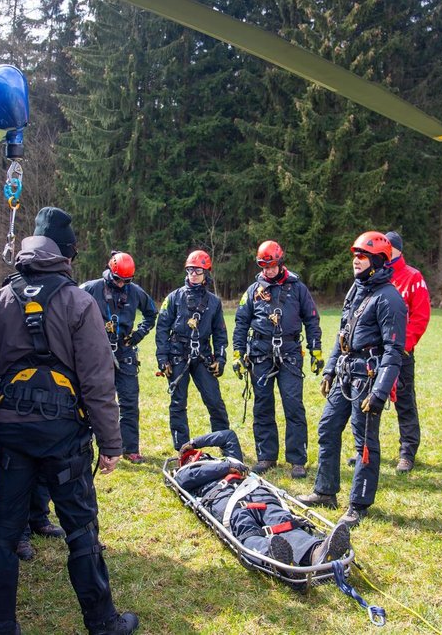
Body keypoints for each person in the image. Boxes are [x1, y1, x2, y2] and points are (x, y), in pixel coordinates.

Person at [0, 206, 137, 635]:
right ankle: (103, 624)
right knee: (81, 530)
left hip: (11, 435)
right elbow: (99, 381)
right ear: (66, 253)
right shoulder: (80, 303)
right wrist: (112, 444)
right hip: (64, 439)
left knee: (4, 530)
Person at [298, 232, 406, 527]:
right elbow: (342, 335)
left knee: (365, 442)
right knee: (327, 428)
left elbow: (394, 350)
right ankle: (325, 491)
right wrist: (330, 370)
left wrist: (381, 392)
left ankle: (358, 504)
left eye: (362, 256)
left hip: (369, 379)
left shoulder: (390, 299)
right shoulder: (356, 290)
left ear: (378, 261)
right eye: (354, 256)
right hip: (346, 373)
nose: (355, 261)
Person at [174, 429, 350, 568]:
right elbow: (184, 480)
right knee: (247, 529)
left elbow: (227, 436)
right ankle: (273, 558)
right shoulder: (187, 471)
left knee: (282, 520)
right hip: (226, 501)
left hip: (258, 494)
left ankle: (316, 553)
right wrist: (227, 467)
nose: (197, 456)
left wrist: (194, 442)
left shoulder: (229, 459)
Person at [233, 240, 322, 478]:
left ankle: (297, 460)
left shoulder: (298, 288)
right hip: (260, 353)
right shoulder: (253, 291)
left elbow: (312, 320)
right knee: (262, 405)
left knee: (293, 405)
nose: (268, 271)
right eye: (264, 267)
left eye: (271, 266)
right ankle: (266, 456)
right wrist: (238, 353)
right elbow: (241, 322)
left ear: (280, 263)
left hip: (290, 353)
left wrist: (316, 350)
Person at [81, 251, 157, 463]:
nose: (122, 284)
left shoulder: (135, 292)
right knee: (93, 401)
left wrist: (138, 335)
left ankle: (130, 448)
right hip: (97, 353)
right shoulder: (91, 288)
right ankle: (88, 446)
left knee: (129, 402)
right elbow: (70, 309)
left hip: (124, 353)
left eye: (127, 281)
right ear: (110, 273)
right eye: (118, 280)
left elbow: (152, 313)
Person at [155, 250, 230, 451]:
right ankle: (183, 448)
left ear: (206, 273)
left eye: (198, 270)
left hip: (203, 356)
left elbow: (220, 332)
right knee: (178, 403)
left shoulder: (214, 302)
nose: (193, 274)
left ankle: (224, 442)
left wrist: (220, 359)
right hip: (177, 354)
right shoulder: (173, 298)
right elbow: (162, 328)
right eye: (190, 270)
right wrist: (162, 358)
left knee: (214, 400)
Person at [382, 231, 430, 473]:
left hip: (401, 353)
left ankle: (407, 452)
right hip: (374, 352)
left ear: (397, 249)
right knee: (369, 401)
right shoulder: (376, 275)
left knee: (404, 401)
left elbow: (420, 317)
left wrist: (403, 346)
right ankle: (368, 450)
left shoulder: (413, 277)